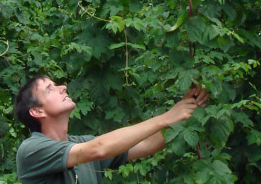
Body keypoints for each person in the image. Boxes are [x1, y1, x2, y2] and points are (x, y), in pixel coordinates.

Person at [14, 75, 210, 183]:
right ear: (37, 111)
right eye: (50, 89)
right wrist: (168, 116)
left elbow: (147, 144)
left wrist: (186, 110)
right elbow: (98, 148)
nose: (63, 87)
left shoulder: (82, 144)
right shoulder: (31, 150)